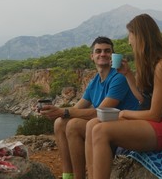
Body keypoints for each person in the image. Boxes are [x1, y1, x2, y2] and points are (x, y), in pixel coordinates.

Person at [85, 14, 162, 179]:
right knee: (92, 125)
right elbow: (142, 100)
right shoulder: (151, 64)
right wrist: (128, 75)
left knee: (101, 131)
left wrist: (123, 114)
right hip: (151, 123)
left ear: (141, 36)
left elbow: (155, 114)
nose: (129, 41)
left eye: (130, 36)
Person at [39, 36, 142, 179]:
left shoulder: (119, 78)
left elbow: (101, 113)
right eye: (98, 51)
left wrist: (64, 111)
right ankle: (68, 175)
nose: (102, 54)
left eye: (107, 51)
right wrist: (55, 111)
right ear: (92, 56)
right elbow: (77, 108)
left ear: (112, 56)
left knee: (74, 125)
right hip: (103, 126)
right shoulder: (94, 81)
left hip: (121, 130)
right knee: (60, 123)